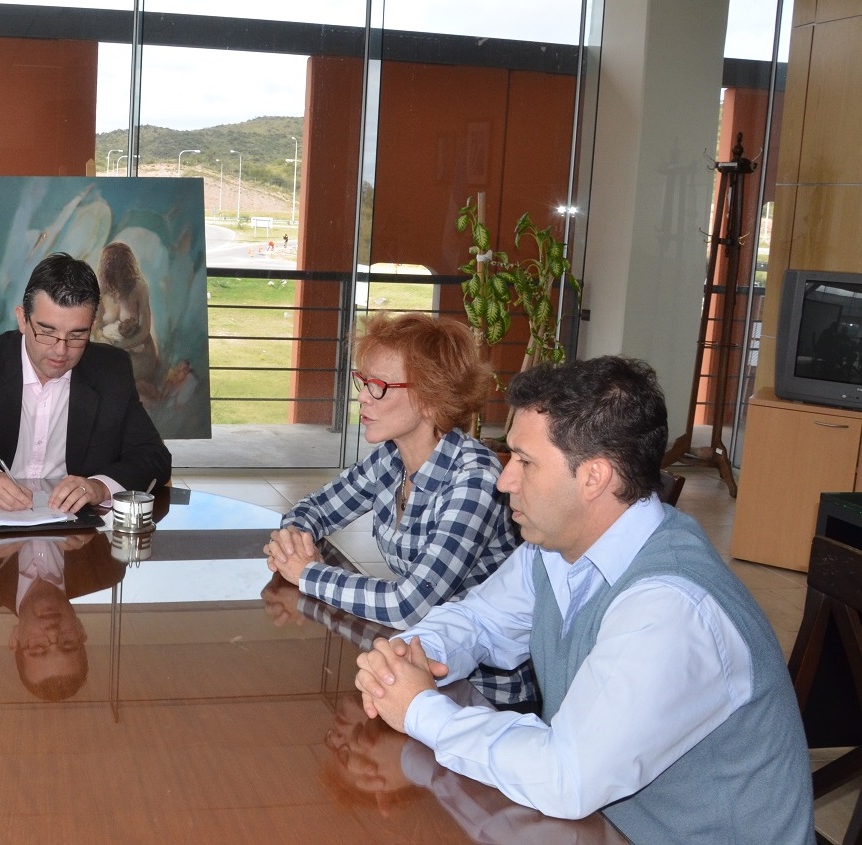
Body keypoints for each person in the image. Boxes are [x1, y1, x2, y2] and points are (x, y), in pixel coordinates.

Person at [355, 356, 813, 844]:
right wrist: (412, 655)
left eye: (525, 462)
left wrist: (420, 709)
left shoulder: (670, 609)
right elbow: (480, 619)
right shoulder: (557, 548)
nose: (504, 480)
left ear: (594, 477)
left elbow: (565, 777)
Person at [264, 312, 531, 706]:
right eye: (363, 381)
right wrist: (295, 537)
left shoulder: (475, 478)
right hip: (414, 659)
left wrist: (307, 573)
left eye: (379, 386)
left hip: (481, 691)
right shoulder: (390, 458)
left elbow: (409, 604)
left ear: (429, 397)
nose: (362, 396)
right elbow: (314, 508)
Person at [0, 252, 171, 512]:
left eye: (77, 335)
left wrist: (99, 487)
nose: (61, 350)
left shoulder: (110, 370)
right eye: (47, 332)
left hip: (75, 535)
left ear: (92, 327)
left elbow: (154, 458)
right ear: (22, 319)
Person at [0, 534, 125, 700]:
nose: (52, 631)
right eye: (67, 643)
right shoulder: (106, 567)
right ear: (80, 630)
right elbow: (150, 499)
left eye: (38, 646)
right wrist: (103, 502)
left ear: (15, 638)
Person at [93, 241, 160, 391]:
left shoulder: (139, 288)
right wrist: (102, 340)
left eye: (120, 269)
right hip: (110, 352)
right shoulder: (101, 291)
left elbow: (144, 331)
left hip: (140, 356)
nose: (117, 274)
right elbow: (96, 327)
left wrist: (119, 347)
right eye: (112, 269)